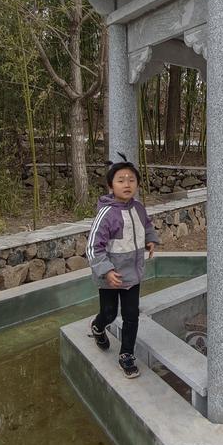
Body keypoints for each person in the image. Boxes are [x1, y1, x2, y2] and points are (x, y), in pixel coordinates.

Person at [85, 156, 158, 378]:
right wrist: (106, 270)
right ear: (111, 186)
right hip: (110, 277)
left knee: (131, 316)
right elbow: (92, 247)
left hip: (132, 275)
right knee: (109, 314)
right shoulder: (107, 214)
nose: (127, 184)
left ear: (137, 184)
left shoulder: (139, 208)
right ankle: (98, 326)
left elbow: (146, 225)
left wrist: (150, 239)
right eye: (121, 180)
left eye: (131, 180)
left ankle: (126, 354)